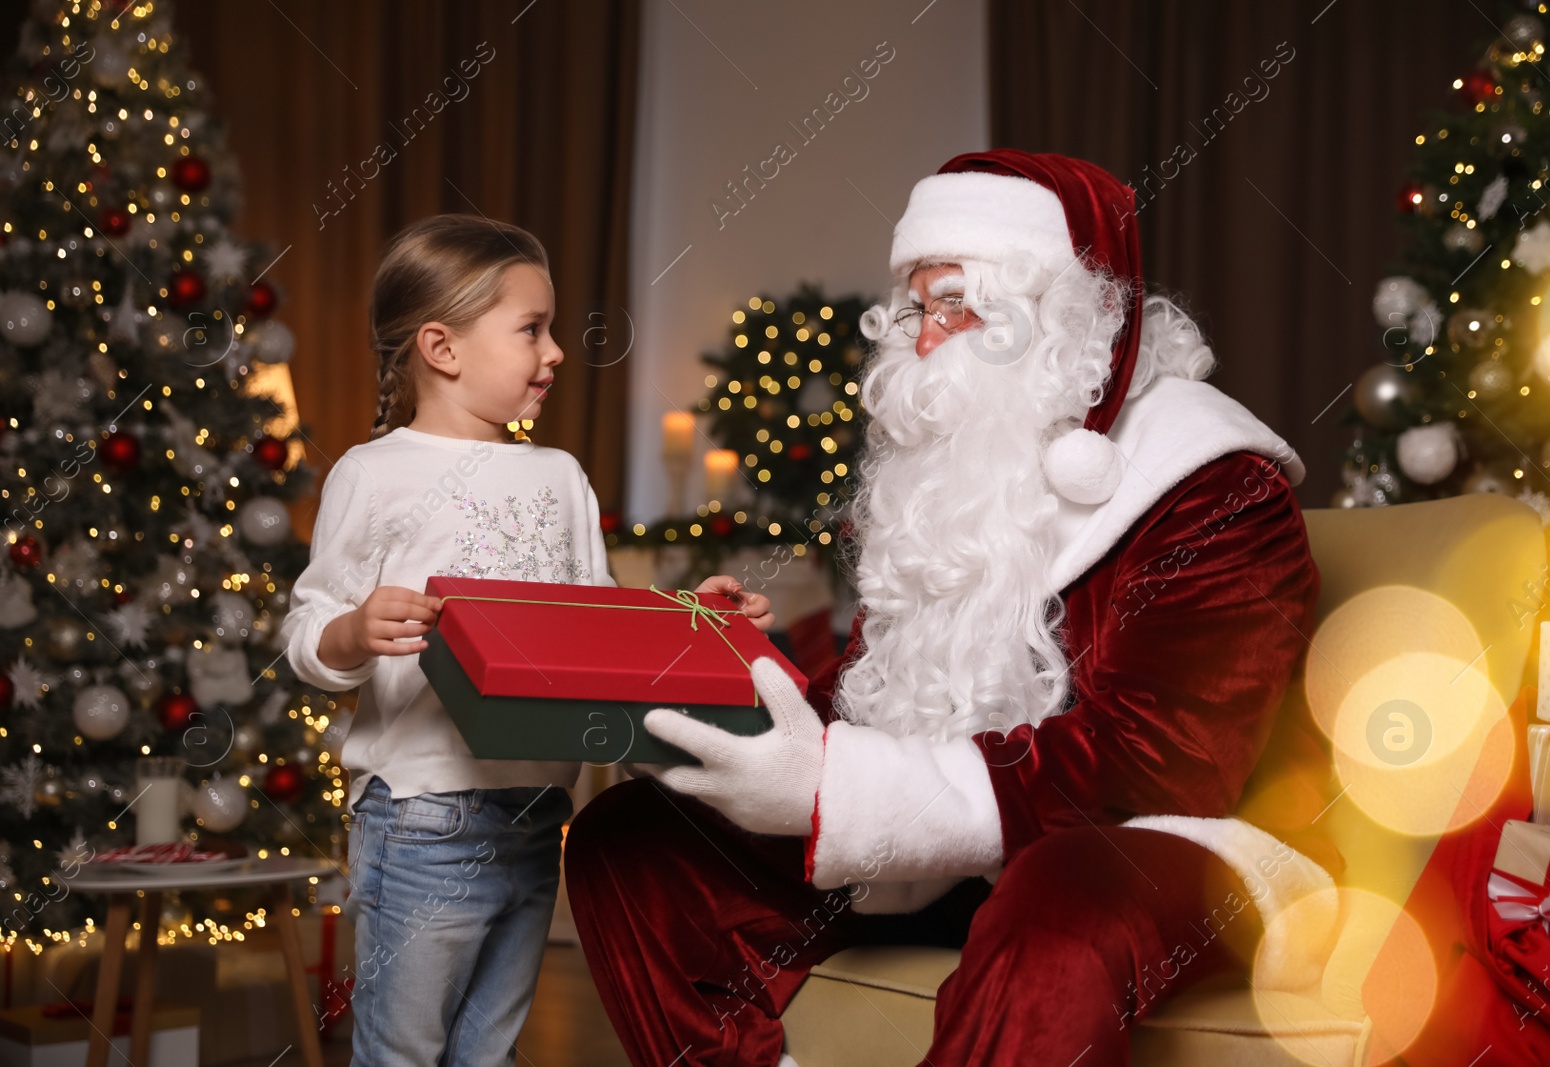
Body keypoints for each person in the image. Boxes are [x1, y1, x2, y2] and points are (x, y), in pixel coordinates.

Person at [564, 151, 1340, 1066]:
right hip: (946, 849)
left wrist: (833, 790)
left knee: (1063, 895)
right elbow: (877, 703)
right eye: (913, 307)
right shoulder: (954, 477)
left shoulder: (1214, 486)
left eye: (954, 305)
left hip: (1174, 849)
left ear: (1055, 315)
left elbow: (1160, 770)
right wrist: (732, 683)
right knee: (633, 841)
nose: (922, 339)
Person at [281, 213, 773, 1067]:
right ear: (442, 347)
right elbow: (306, 629)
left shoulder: (560, 475)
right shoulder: (373, 472)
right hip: (423, 814)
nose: (554, 352)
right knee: (403, 1052)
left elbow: (597, 623)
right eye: (532, 330)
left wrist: (690, 612)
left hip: (540, 814)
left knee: (490, 1054)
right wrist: (355, 631)